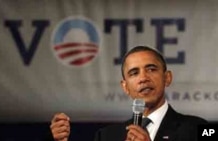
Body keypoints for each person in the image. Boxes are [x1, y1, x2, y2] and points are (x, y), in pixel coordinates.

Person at [50, 46, 207, 141]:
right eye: (134, 73)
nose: (143, 78)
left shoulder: (200, 128)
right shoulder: (106, 136)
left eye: (151, 69)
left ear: (167, 78)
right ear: (125, 87)